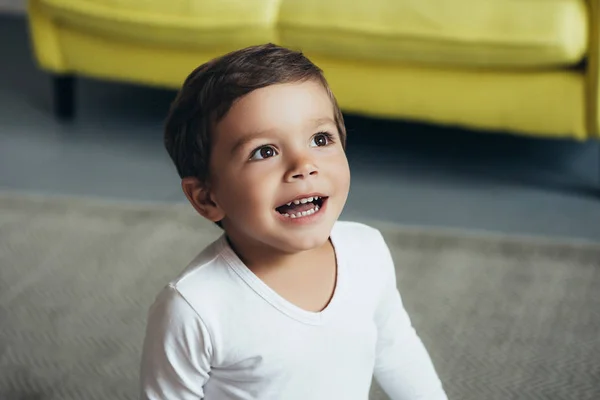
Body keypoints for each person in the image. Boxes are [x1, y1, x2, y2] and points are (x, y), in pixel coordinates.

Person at [140, 43, 447, 400]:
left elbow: (397, 352)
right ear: (207, 197)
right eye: (265, 152)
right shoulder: (194, 306)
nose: (303, 165)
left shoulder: (367, 252)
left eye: (320, 139)